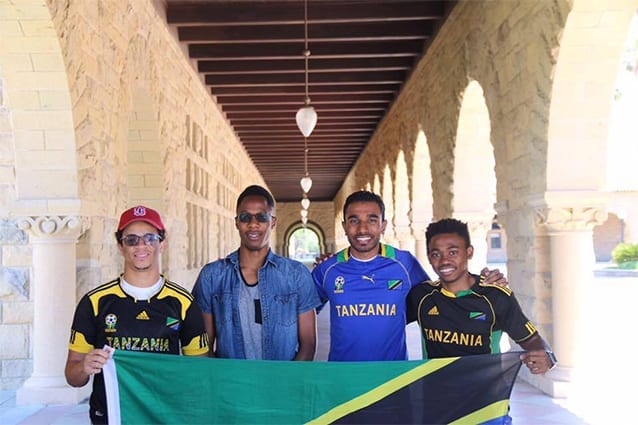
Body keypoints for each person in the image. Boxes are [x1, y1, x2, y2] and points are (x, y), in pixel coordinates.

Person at [312, 190, 506, 361]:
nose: (363, 229)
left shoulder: (403, 263)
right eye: (354, 221)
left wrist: (482, 285)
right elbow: (303, 313)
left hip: (394, 378)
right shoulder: (328, 269)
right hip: (342, 375)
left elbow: (440, 299)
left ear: (383, 225)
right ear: (345, 226)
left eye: (372, 220)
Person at [65, 205, 209, 424]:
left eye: (150, 238)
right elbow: (72, 376)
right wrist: (85, 365)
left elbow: (199, 373)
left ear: (162, 243)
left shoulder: (184, 303)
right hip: (111, 415)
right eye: (131, 239)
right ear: (120, 246)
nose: (141, 246)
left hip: (162, 415)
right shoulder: (94, 303)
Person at [406, 218, 557, 373]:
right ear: (429, 257)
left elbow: (532, 339)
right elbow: (386, 320)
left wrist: (546, 357)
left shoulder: (495, 296)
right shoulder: (422, 296)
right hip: (434, 392)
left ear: (469, 252)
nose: (445, 261)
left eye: (453, 252)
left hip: (485, 394)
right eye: (436, 254)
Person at [192, 185, 321, 360]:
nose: (253, 224)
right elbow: (202, 346)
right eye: (245, 217)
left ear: (273, 222)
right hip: (231, 384)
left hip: (281, 383)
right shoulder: (212, 276)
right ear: (237, 222)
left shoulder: (296, 275)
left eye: (261, 217)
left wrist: (290, 384)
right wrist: (221, 384)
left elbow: (308, 344)